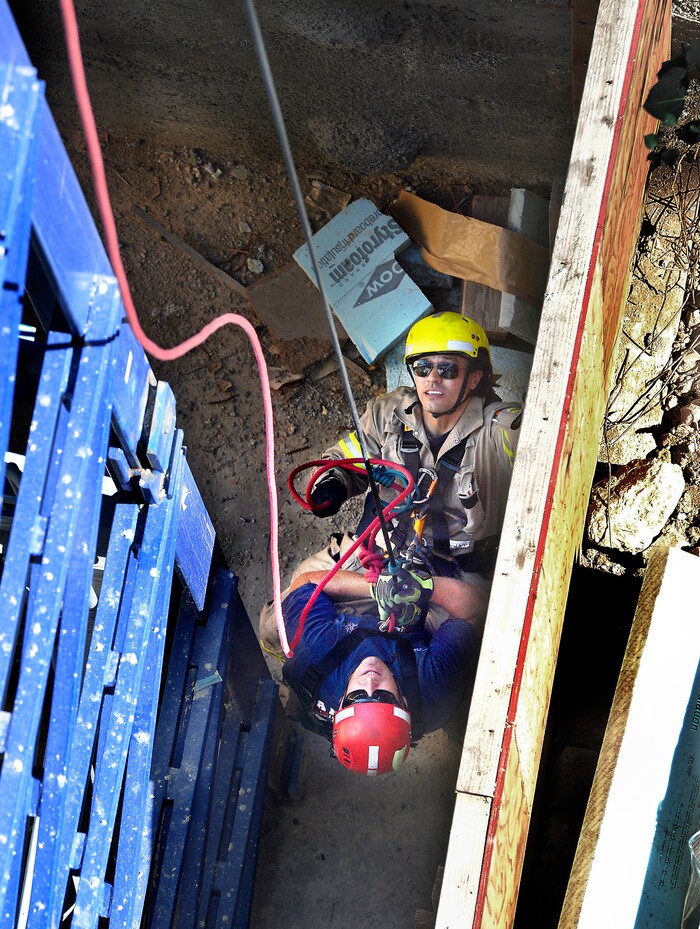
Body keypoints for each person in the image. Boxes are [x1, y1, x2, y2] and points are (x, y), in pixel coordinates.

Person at [260, 310, 522, 643]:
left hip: (456, 574)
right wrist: (334, 481)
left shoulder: (498, 431)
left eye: (448, 369)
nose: (433, 380)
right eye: (423, 368)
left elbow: (540, 437)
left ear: (474, 378)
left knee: (458, 658)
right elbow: (346, 455)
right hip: (384, 552)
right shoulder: (390, 414)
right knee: (278, 624)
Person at [280, 564, 486, 776]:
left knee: (279, 612)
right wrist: (426, 587)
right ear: (404, 703)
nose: (370, 683)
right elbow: (477, 610)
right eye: (383, 697)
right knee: (479, 590)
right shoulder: (434, 683)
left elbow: (305, 584)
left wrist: (376, 588)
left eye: (358, 697)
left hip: (338, 638)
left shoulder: (316, 646)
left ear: (340, 703)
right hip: (411, 644)